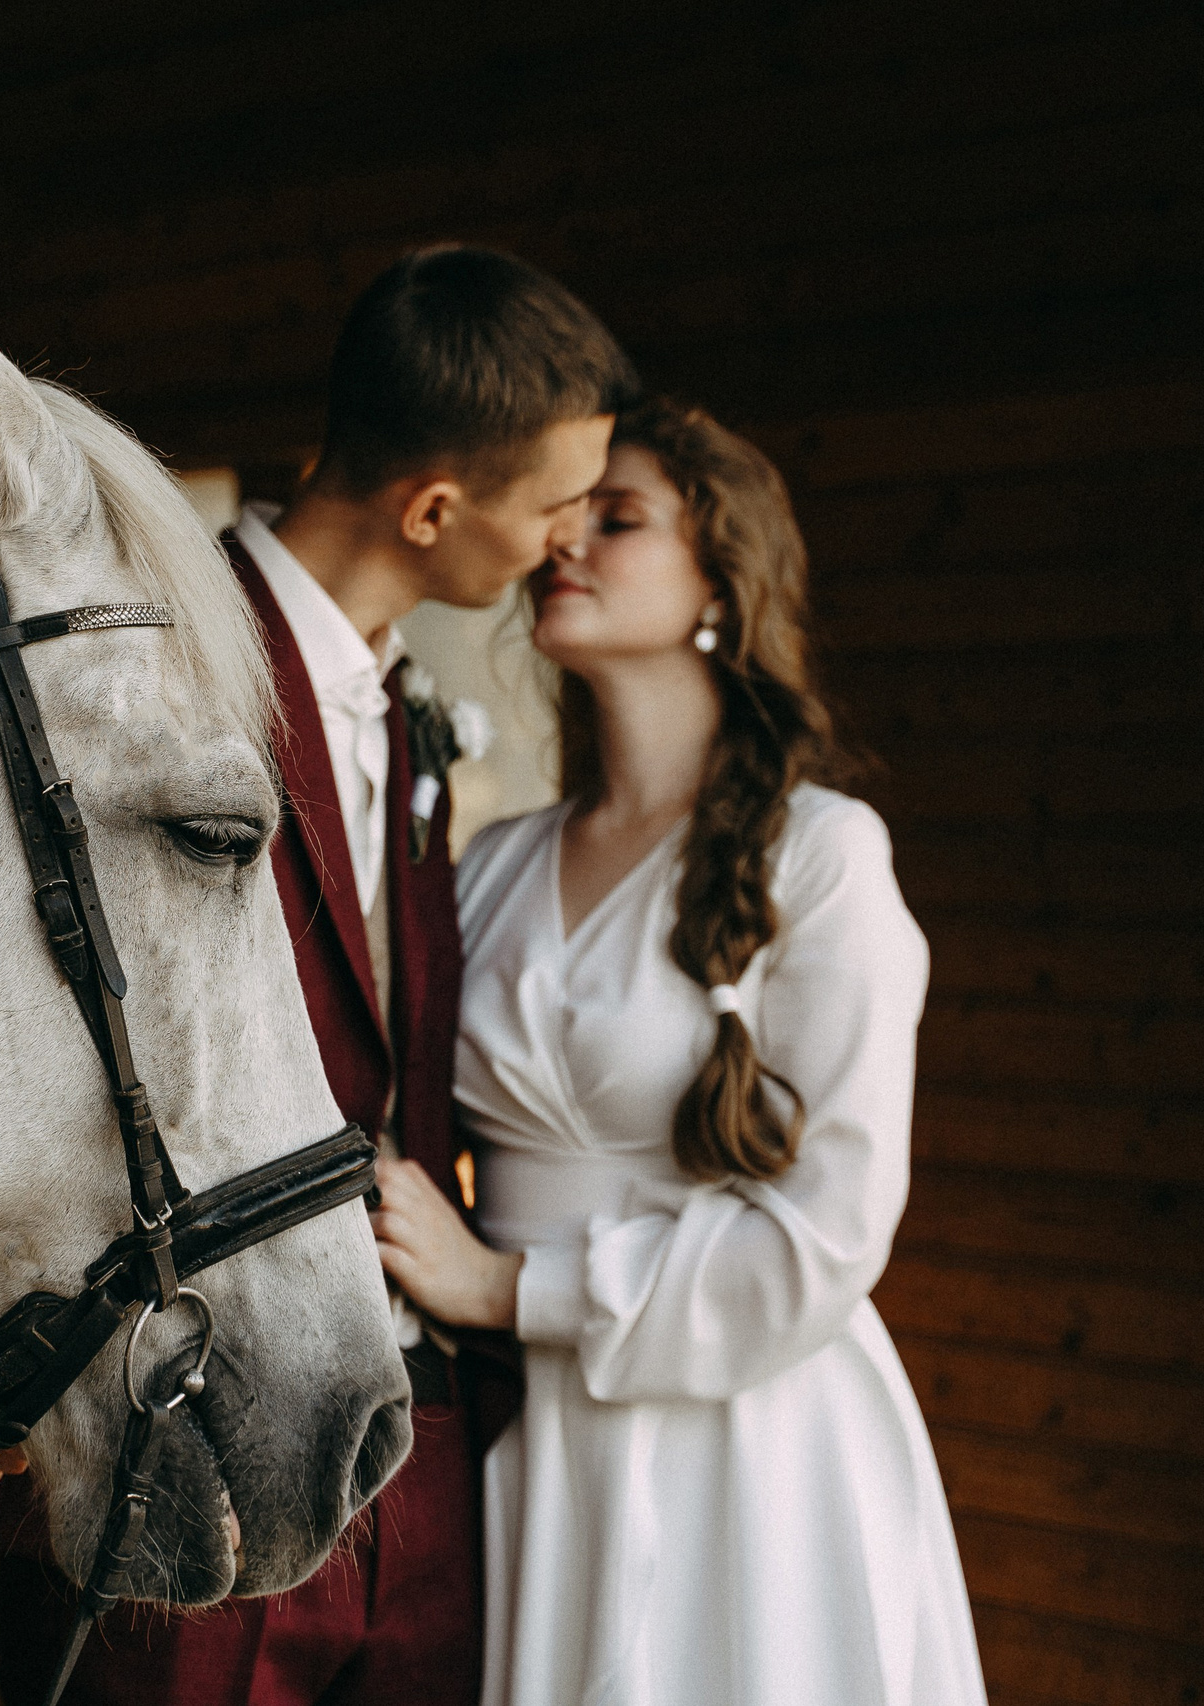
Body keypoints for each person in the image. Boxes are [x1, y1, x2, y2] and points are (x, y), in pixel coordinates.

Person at [0, 244, 639, 1706]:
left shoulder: (406, 713)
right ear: (434, 508)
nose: (562, 542)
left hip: (412, 1454)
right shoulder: (132, 664)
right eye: (550, 508)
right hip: (181, 1447)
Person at [370, 397, 990, 1705]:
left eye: (619, 516)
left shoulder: (821, 856)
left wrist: (505, 1291)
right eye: (563, 516)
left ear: (721, 577)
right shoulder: (497, 866)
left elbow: (831, 1231)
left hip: (754, 1437)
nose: (565, 544)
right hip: (538, 1447)